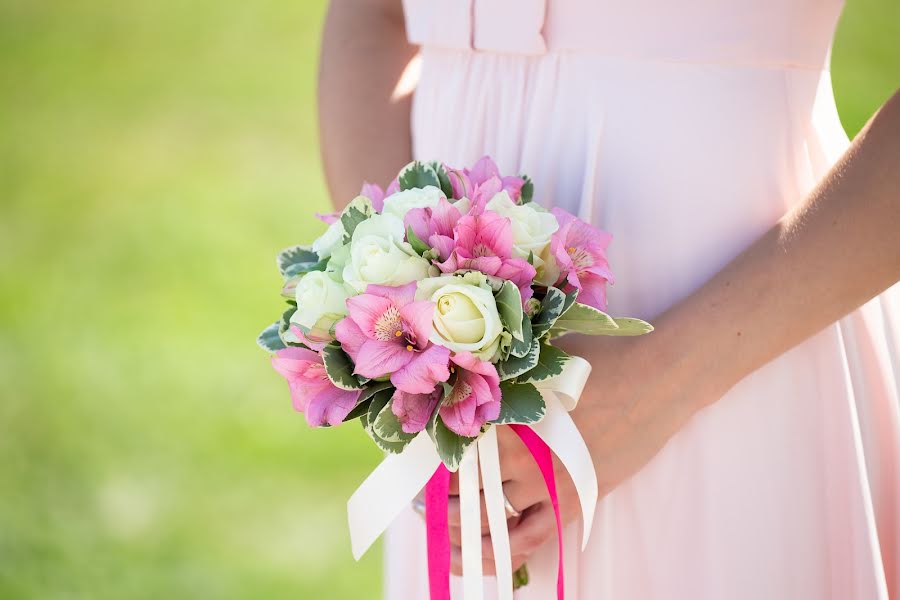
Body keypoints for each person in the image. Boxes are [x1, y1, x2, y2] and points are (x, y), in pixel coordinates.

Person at [318, 1, 900, 597]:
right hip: (464, 425)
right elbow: (372, 15)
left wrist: (655, 390)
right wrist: (403, 293)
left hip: (739, 347)